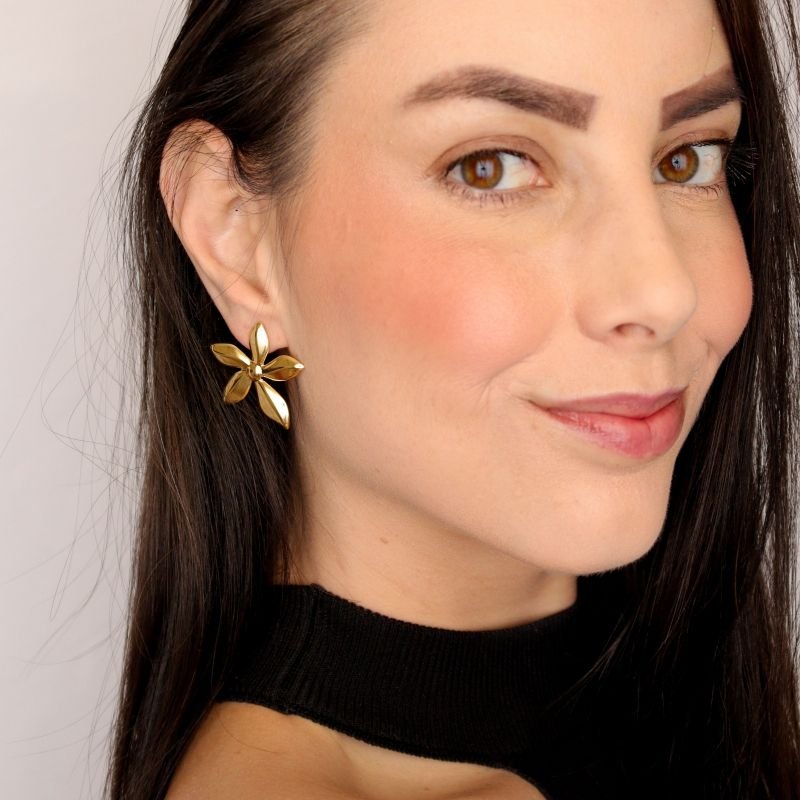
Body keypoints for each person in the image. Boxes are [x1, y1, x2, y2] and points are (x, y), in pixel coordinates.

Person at [103, 0, 800, 797]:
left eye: (687, 160)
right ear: (236, 236)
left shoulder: (685, 704)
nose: (662, 291)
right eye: (490, 167)